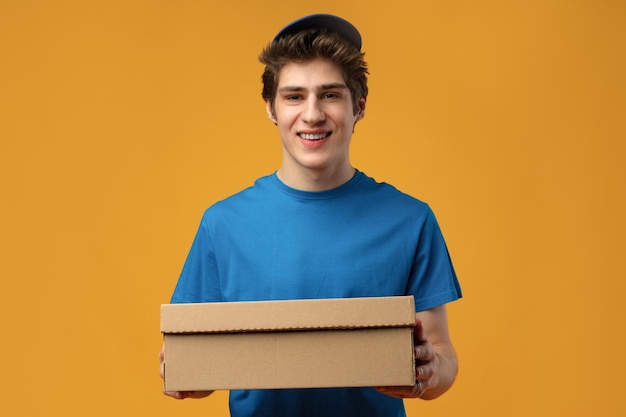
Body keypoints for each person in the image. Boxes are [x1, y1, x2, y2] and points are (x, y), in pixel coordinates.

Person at [159, 13, 462, 417]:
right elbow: (195, 365)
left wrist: (430, 370)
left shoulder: (410, 220)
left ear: (360, 106)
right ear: (271, 108)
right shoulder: (223, 224)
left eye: (331, 95)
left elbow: (441, 353)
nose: (313, 114)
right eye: (294, 96)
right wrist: (182, 372)